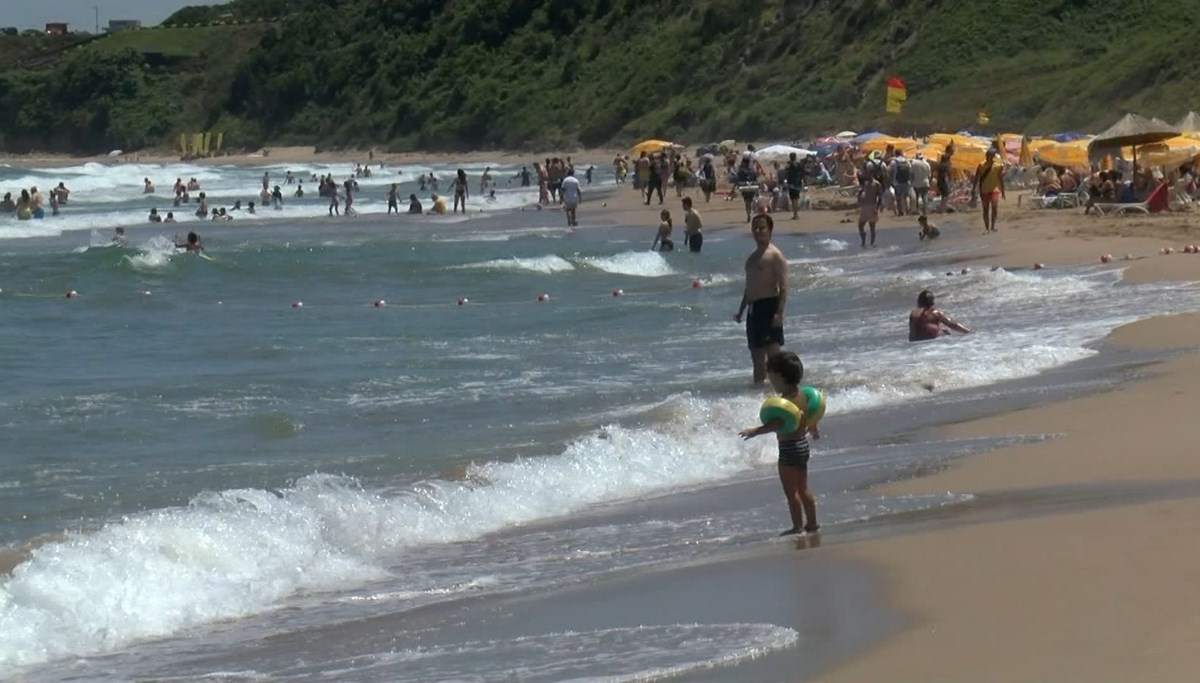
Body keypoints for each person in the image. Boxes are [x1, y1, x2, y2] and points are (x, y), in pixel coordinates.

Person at [738, 351, 819, 535]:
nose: (771, 381)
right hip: (802, 446)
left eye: (771, 377)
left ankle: (797, 526)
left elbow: (778, 423)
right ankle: (812, 523)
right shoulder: (803, 396)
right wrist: (813, 426)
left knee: (791, 493)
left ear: (780, 377)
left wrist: (756, 431)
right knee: (803, 488)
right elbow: (810, 413)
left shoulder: (785, 402)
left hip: (789, 448)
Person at [735, 213, 788, 385]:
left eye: (762, 227)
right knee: (757, 360)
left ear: (770, 230)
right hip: (753, 310)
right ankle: (758, 397)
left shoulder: (775, 255)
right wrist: (741, 310)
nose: (758, 231)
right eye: (755, 228)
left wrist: (779, 313)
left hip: (769, 307)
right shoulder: (752, 257)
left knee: (774, 359)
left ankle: (783, 393)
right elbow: (749, 287)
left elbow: (784, 286)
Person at [975, 147, 1005, 233]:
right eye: (988, 155)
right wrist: (974, 190)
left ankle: (993, 226)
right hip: (984, 190)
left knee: (994, 207)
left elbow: (1000, 178)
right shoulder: (981, 165)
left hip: (994, 189)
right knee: (985, 209)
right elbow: (977, 178)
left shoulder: (997, 166)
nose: (990, 157)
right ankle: (986, 228)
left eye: (991, 155)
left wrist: (1003, 191)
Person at [856, 171, 882, 248]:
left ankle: (872, 243)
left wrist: (877, 207)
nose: (866, 175)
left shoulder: (876, 184)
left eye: (868, 174)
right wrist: (859, 199)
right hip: (864, 207)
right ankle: (863, 241)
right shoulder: (865, 183)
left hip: (872, 206)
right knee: (860, 226)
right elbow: (861, 193)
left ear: (872, 174)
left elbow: (880, 196)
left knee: (872, 227)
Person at [784, 152, 806, 219]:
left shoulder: (788, 164)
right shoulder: (799, 164)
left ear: (790, 157)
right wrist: (803, 180)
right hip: (797, 182)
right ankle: (796, 214)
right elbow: (803, 172)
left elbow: (786, 172)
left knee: (793, 199)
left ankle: (795, 214)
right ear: (795, 157)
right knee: (796, 198)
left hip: (791, 183)